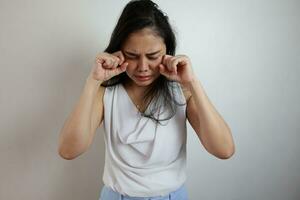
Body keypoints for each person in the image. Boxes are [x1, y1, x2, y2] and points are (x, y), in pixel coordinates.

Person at [58, 0, 235, 199]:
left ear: (167, 51)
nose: (143, 67)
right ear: (119, 51)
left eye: (153, 56)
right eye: (132, 55)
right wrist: (93, 82)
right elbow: (68, 150)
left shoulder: (182, 92)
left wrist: (192, 82)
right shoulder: (106, 93)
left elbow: (224, 149)